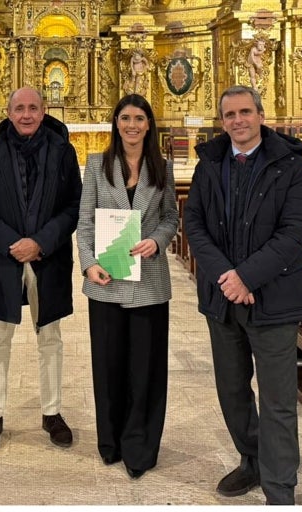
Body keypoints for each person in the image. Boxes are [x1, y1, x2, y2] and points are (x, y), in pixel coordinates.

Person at [182, 85, 302, 504]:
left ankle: (280, 487)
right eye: (229, 115)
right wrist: (226, 277)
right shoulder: (210, 164)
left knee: (277, 399)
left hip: (272, 298)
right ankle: (252, 460)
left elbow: (294, 232)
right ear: (222, 121)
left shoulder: (289, 165)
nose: (237, 121)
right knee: (232, 390)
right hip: (223, 298)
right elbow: (194, 223)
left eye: (244, 112)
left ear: (260, 114)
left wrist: (247, 277)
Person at [0, 87, 82, 452]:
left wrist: (41, 242)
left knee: (50, 338)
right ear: (8, 111)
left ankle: (51, 412)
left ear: (44, 109)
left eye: (33, 107)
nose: (26, 114)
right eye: (19, 108)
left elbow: (72, 206)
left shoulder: (63, 150)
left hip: (47, 258)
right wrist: (11, 243)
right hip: (4, 257)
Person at [76, 94, 178, 480]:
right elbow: (85, 221)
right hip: (107, 279)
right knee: (109, 365)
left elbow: (171, 216)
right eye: (125, 118)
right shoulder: (97, 165)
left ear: (149, 124)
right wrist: (89, 264)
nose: (131, 125)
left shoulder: (162, 167)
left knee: (146, 367)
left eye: (139, 118)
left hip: (149, 280)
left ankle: (140, 445)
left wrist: (158, 240)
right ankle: (111, 441)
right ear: (115, 123)